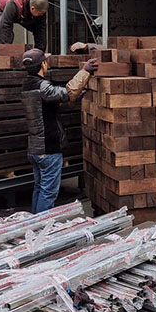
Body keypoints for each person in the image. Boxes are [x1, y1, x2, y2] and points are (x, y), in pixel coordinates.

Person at [21, 48, 97, 213]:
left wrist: (74, 98)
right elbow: (68, 92)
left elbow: (48, 106)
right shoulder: (42, 87)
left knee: (40, 187)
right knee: (48, 192)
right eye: (46, 61)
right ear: (42, 64)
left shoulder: (27, 86)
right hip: (48, 148)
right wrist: (84, 71)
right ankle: (42, 225)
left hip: (35, 148)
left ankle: (34, 223)